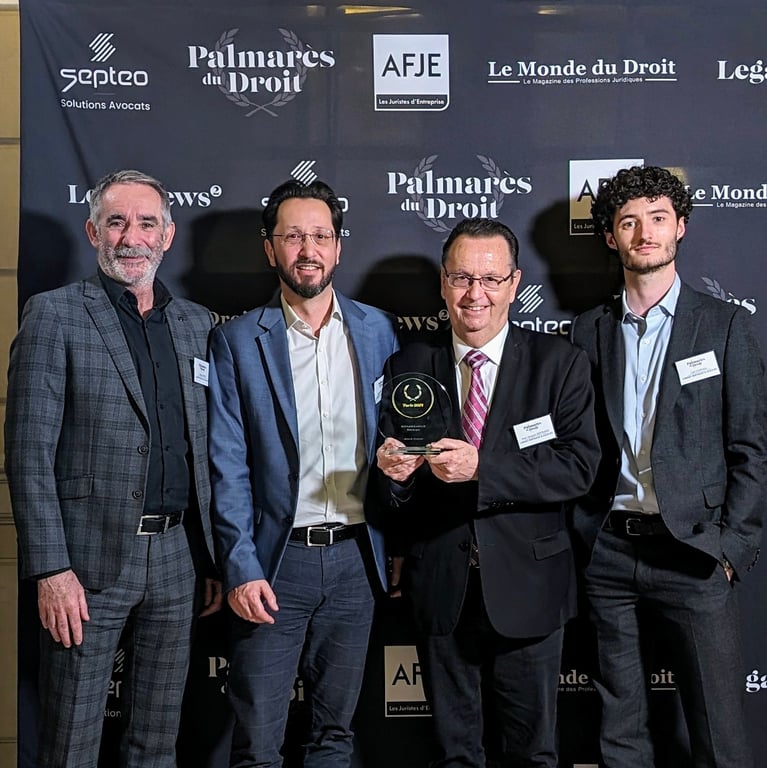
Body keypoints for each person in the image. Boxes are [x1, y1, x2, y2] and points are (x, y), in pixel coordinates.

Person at [5, 169, 222, 767]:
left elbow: (206, 448)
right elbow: (27, 453)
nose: (132, 237)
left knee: (157, 741)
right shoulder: (54, 316)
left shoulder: (196, 325)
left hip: (179, 558)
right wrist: (51, 569)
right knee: (72, 740)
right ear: (93, 231)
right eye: (117, 222)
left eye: (146, 223)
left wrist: (208, 555)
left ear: (168, 235)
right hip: (85, 563)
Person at [377, 217, 600, 767]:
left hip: (530, 586)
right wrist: (393, 477)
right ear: (443, 284)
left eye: (491, 279)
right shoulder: (408, 366)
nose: (475, 294)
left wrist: (484, 468)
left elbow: (578, 467)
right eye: (461, 278)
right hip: (441, 587)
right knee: (456, 755)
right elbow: (392, 496)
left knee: (532, 754)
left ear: (515, 282)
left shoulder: (560, 363)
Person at [570, 165, 767, 767]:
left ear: (680, 227)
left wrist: (731, 548)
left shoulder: (726, 324)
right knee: (619, 728)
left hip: (695, 553)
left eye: (658, 218)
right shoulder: (587, 330)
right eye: (628, 221)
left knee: (719, 734)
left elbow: (751, 448)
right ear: (611, 236)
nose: (644, 232)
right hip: (609, 553)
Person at [207, 179, 398, 767]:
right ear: (271, 249)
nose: (308, 249)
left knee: (335, 737)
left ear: (339, 247)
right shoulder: (237, 342)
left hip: (355, 564)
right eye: (293, 236)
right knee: (258, 744)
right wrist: (240, 567)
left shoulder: (378, 331)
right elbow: (227, 466)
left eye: (320, 236)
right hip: (274, 566)